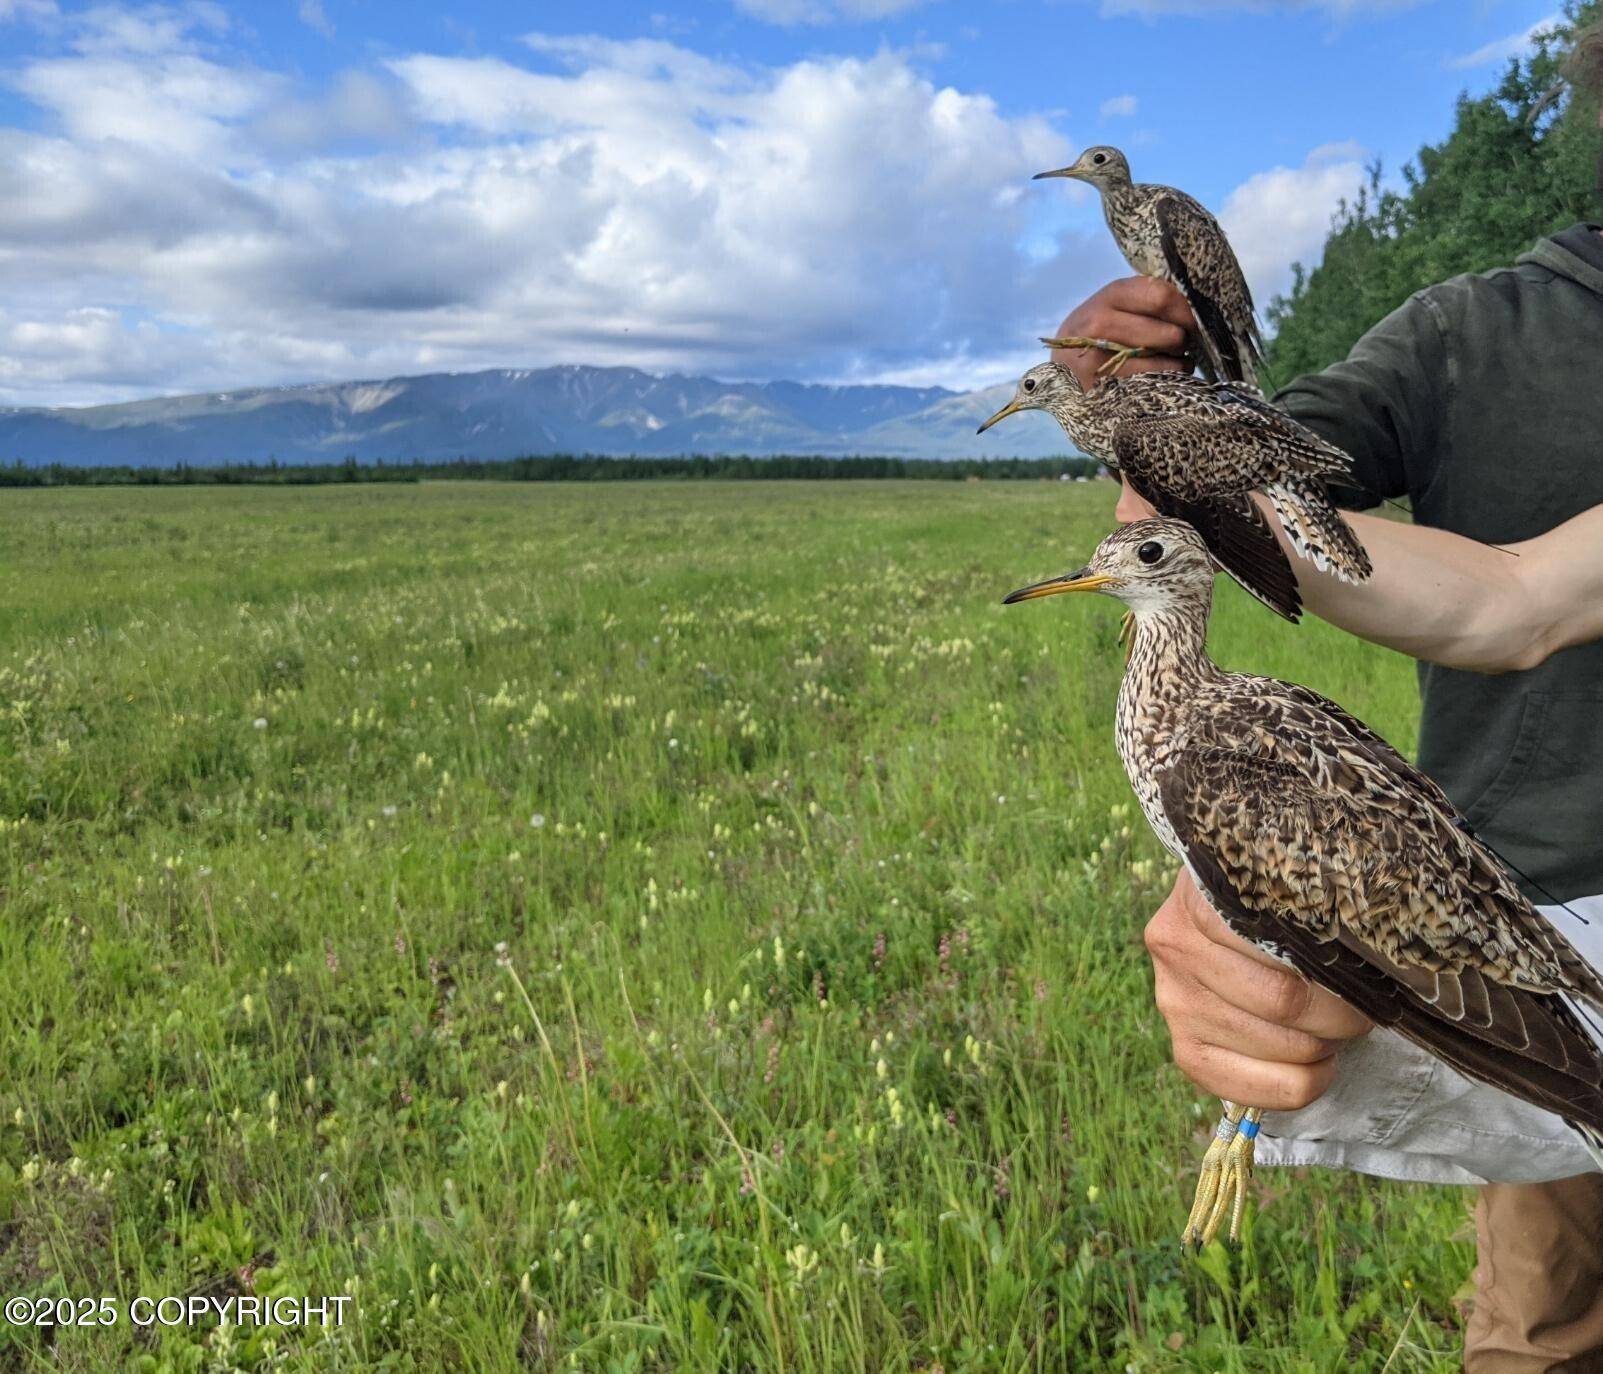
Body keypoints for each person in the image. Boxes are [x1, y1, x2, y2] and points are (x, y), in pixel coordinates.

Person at [1049, 66, 1603, 1374]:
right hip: (1514, 921)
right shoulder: (1477, 327)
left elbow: (1514, 606)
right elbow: (1501, 602)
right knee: (1545, 1336)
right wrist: (1140, 422)